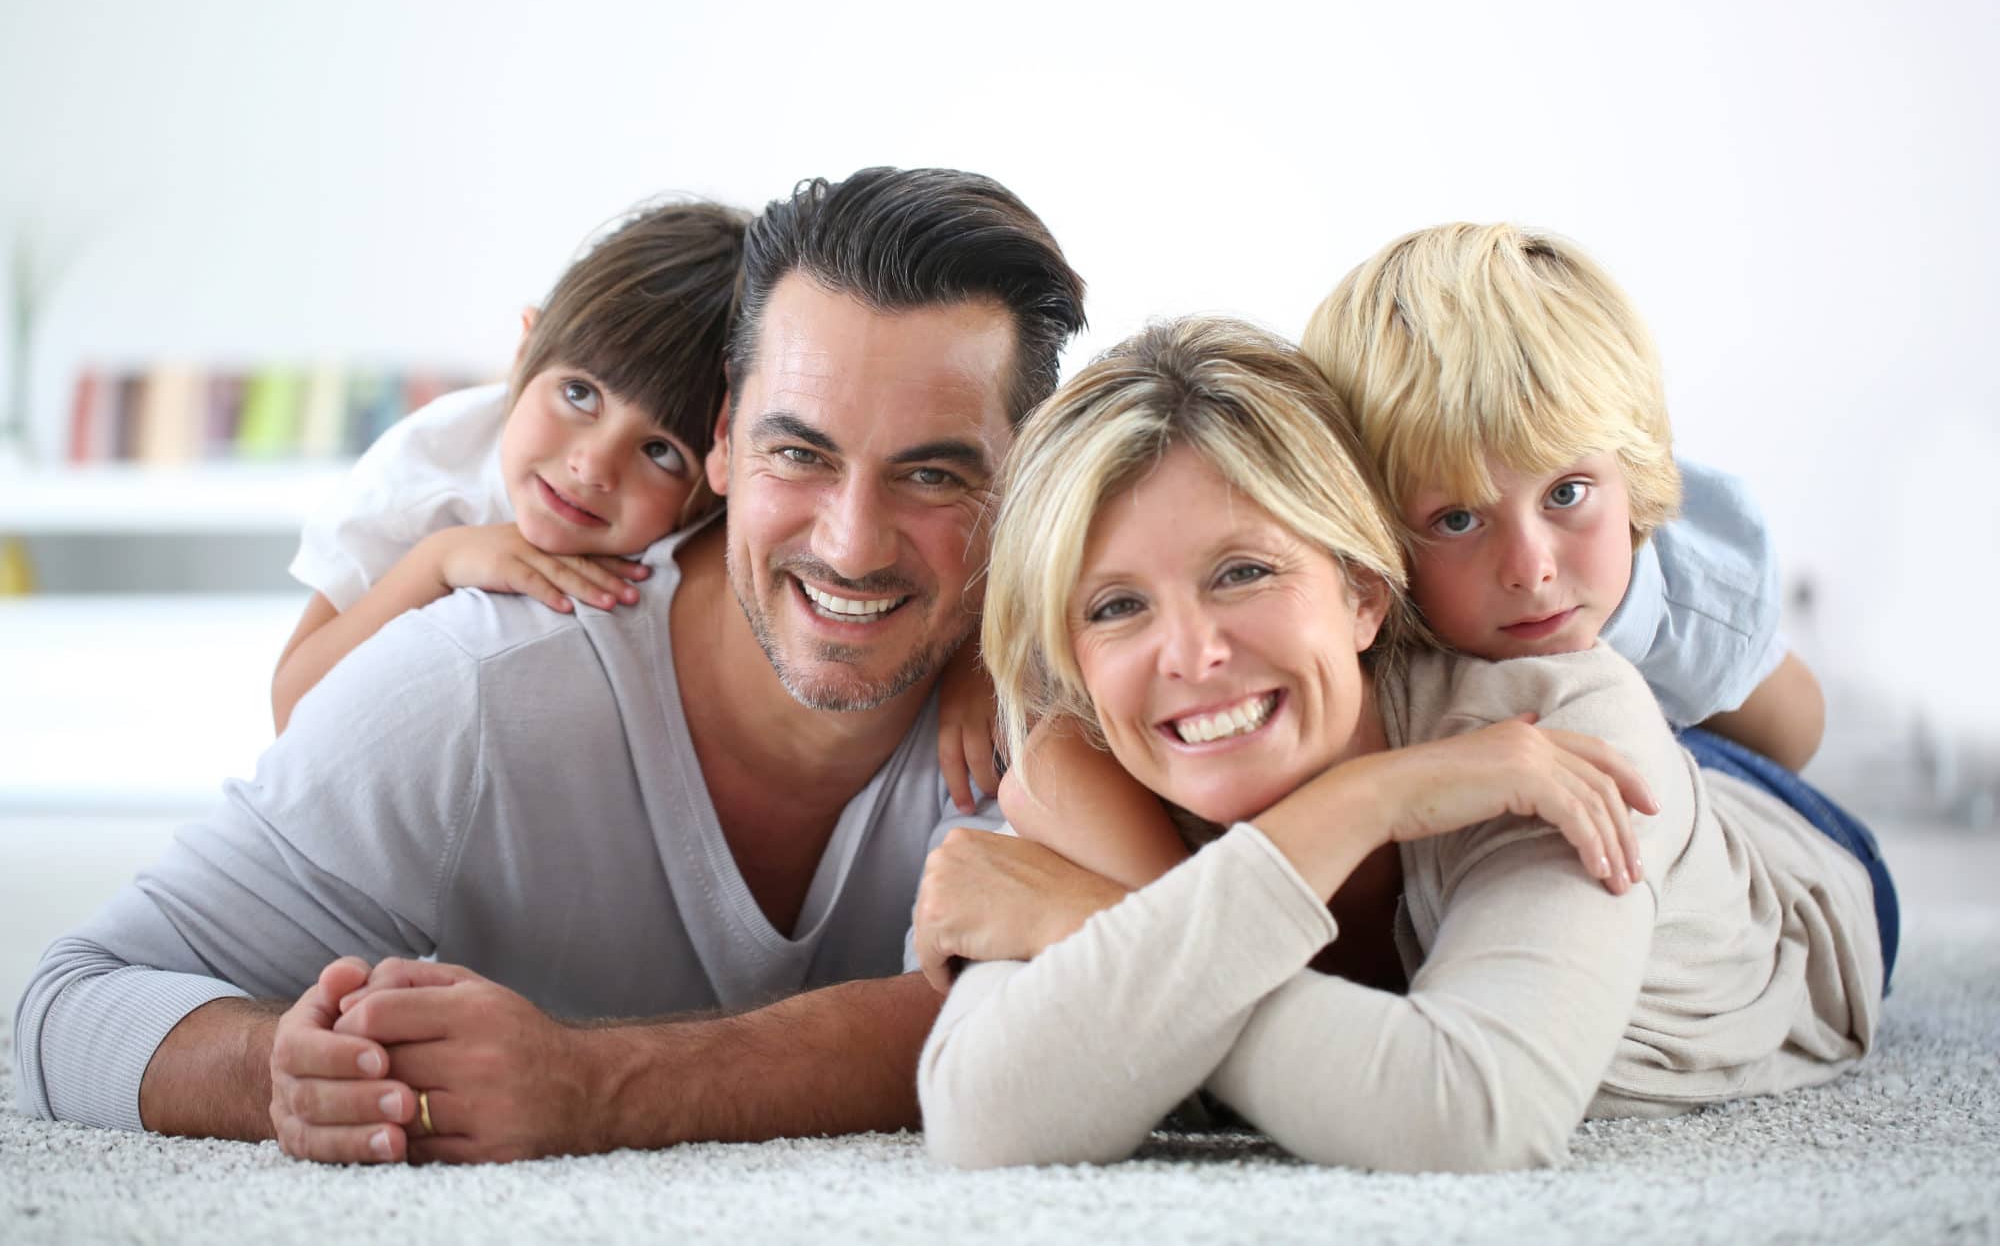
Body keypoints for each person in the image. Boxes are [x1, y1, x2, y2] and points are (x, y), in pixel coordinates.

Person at [14, 166, 1086, 1165]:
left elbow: (1094, 1004)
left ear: (1030, 478)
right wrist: (276, 1075)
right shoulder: (468, 688)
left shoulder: (1059, 707)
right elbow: (67, 1005)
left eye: (934, 475)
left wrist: (596, 1083)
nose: (850, 543)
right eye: (798, 453)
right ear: (721, 436)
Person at [913, 318, 1887, 1171]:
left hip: (1776, 863)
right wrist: (1358, 802)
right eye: (1117, 605)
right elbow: (979, 1111)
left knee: (1696, 671)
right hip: (1400, 734)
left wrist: (1104, 935)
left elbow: (1473, 1113)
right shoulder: (1093, 763)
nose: (1193, 655)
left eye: (1243, 571)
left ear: (1362, 592)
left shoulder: (1550, 729)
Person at [1304, 222, 1824, 770]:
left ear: (1631, 474)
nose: (1531, 570)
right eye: (1457, 520)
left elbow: (1795, 737)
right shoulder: (1361, 630)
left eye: (1566, 493)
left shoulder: (1691, 606)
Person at [272, 198, 746, 734]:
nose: (592, 466)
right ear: (524, 350)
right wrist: (437, 563)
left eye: (660, 451)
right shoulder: (430, 468)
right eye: (579, 394)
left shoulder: (718, 542)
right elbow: (293, 705)